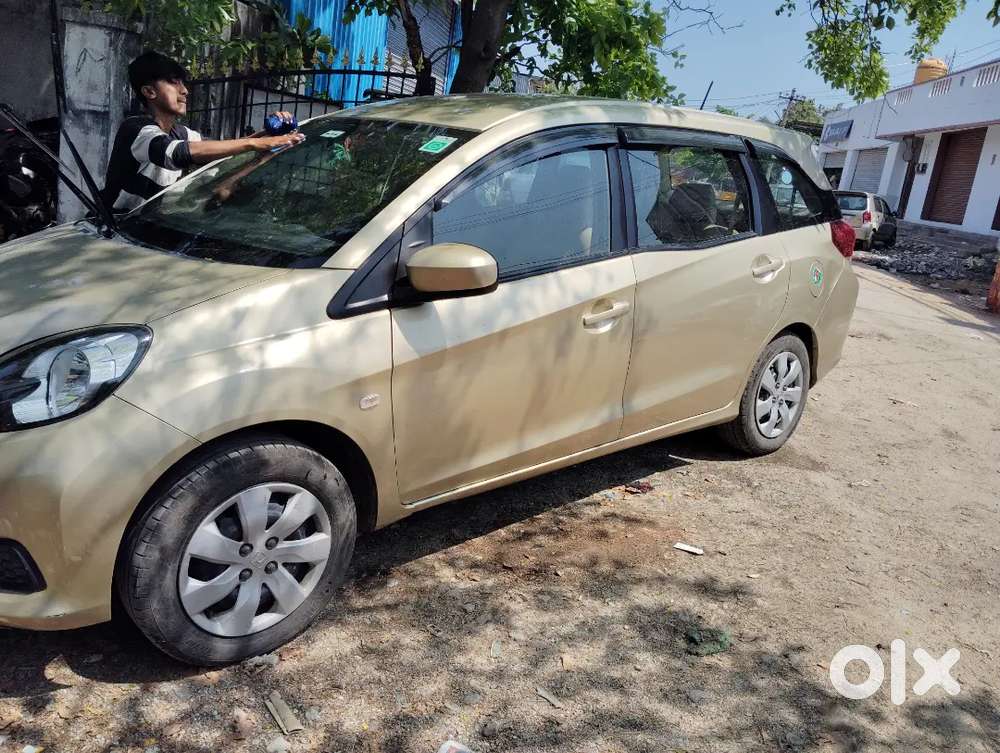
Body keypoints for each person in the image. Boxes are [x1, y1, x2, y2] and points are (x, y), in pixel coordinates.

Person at [101, 51, 304, 212]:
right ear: (149, 92)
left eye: (182, 82)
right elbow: (176, 153)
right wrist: (256, 143)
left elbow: (223, 154)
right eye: (174, 82)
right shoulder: (136, 129)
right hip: (109, 234)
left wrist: (271, 136)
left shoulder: (181, 133)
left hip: (145, 234)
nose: (185, 90)